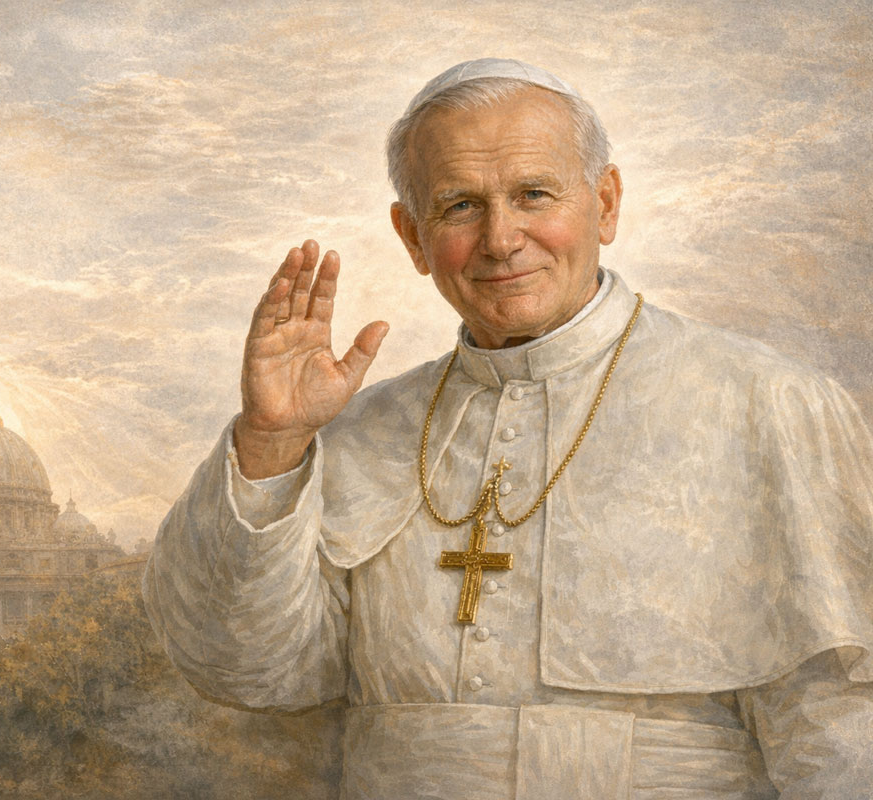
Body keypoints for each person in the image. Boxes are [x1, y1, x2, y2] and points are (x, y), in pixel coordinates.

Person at [142, 58, 873, 799]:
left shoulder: (768, 404)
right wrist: (272, 443)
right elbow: (250, 672)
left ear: (606, 203)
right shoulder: (356, 431)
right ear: (413, 237)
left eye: (533, 195)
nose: (500, 239)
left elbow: (843, 725)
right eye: (459, 206)